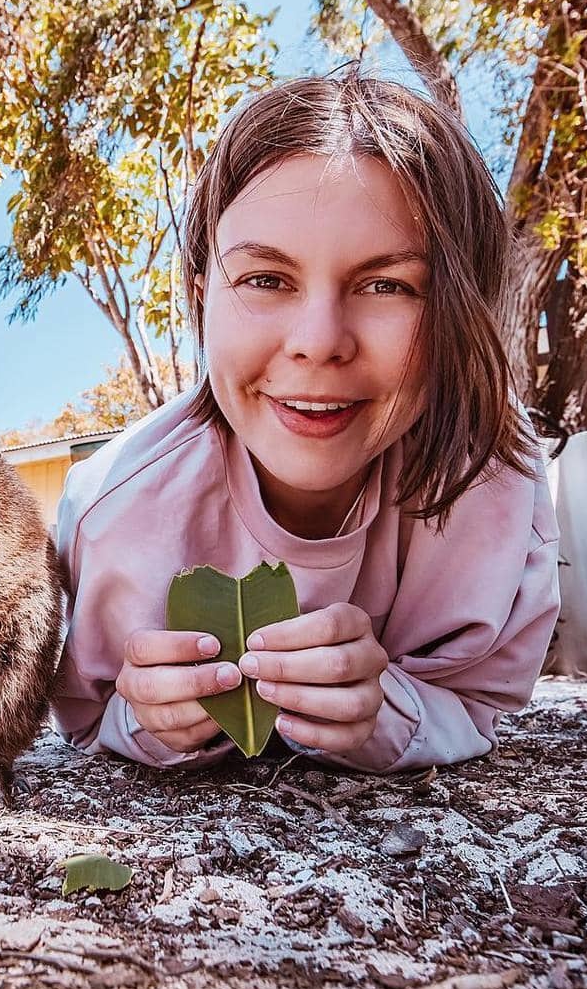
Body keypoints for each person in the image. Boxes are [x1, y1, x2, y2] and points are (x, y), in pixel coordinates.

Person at [51, 72, 560, 773]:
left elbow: (481, 703)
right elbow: (84, 715)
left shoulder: (495, 486)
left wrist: (387, 709)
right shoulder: (111, 514)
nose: (319, 340)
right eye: (266, 279)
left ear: (456, 309)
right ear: (202, 300)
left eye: (389, 285)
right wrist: (145, 718)